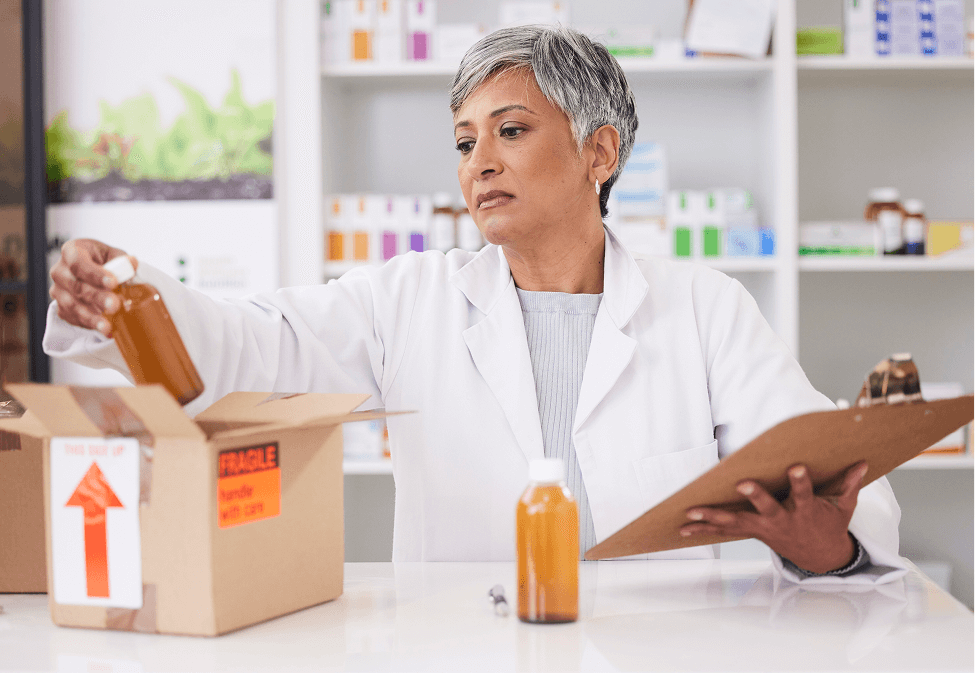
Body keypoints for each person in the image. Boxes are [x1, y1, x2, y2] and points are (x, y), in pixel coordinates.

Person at [44, 26, 904, 582]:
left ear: (598, 152)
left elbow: (828, 478)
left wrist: (828, 546)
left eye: (511, 130)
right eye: (464, 141)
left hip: (659, 649)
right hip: (465, 646)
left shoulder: (704, 308)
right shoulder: (408, 297)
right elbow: (252, 347)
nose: (477, 162)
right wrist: (130, 299)